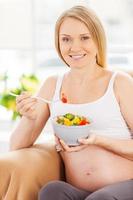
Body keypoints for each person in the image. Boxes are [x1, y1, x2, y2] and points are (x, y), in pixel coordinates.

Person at [10, 5, 133, 200]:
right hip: (80, 191)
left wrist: (99, 140)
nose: (74, 47)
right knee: (51, 191)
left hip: (125, 186)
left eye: (84, 38)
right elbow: (15, 146)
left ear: (98, 40)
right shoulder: (52, 85)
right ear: (58, 43)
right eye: (66, 39)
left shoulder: (119, 83)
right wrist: (28, 116)